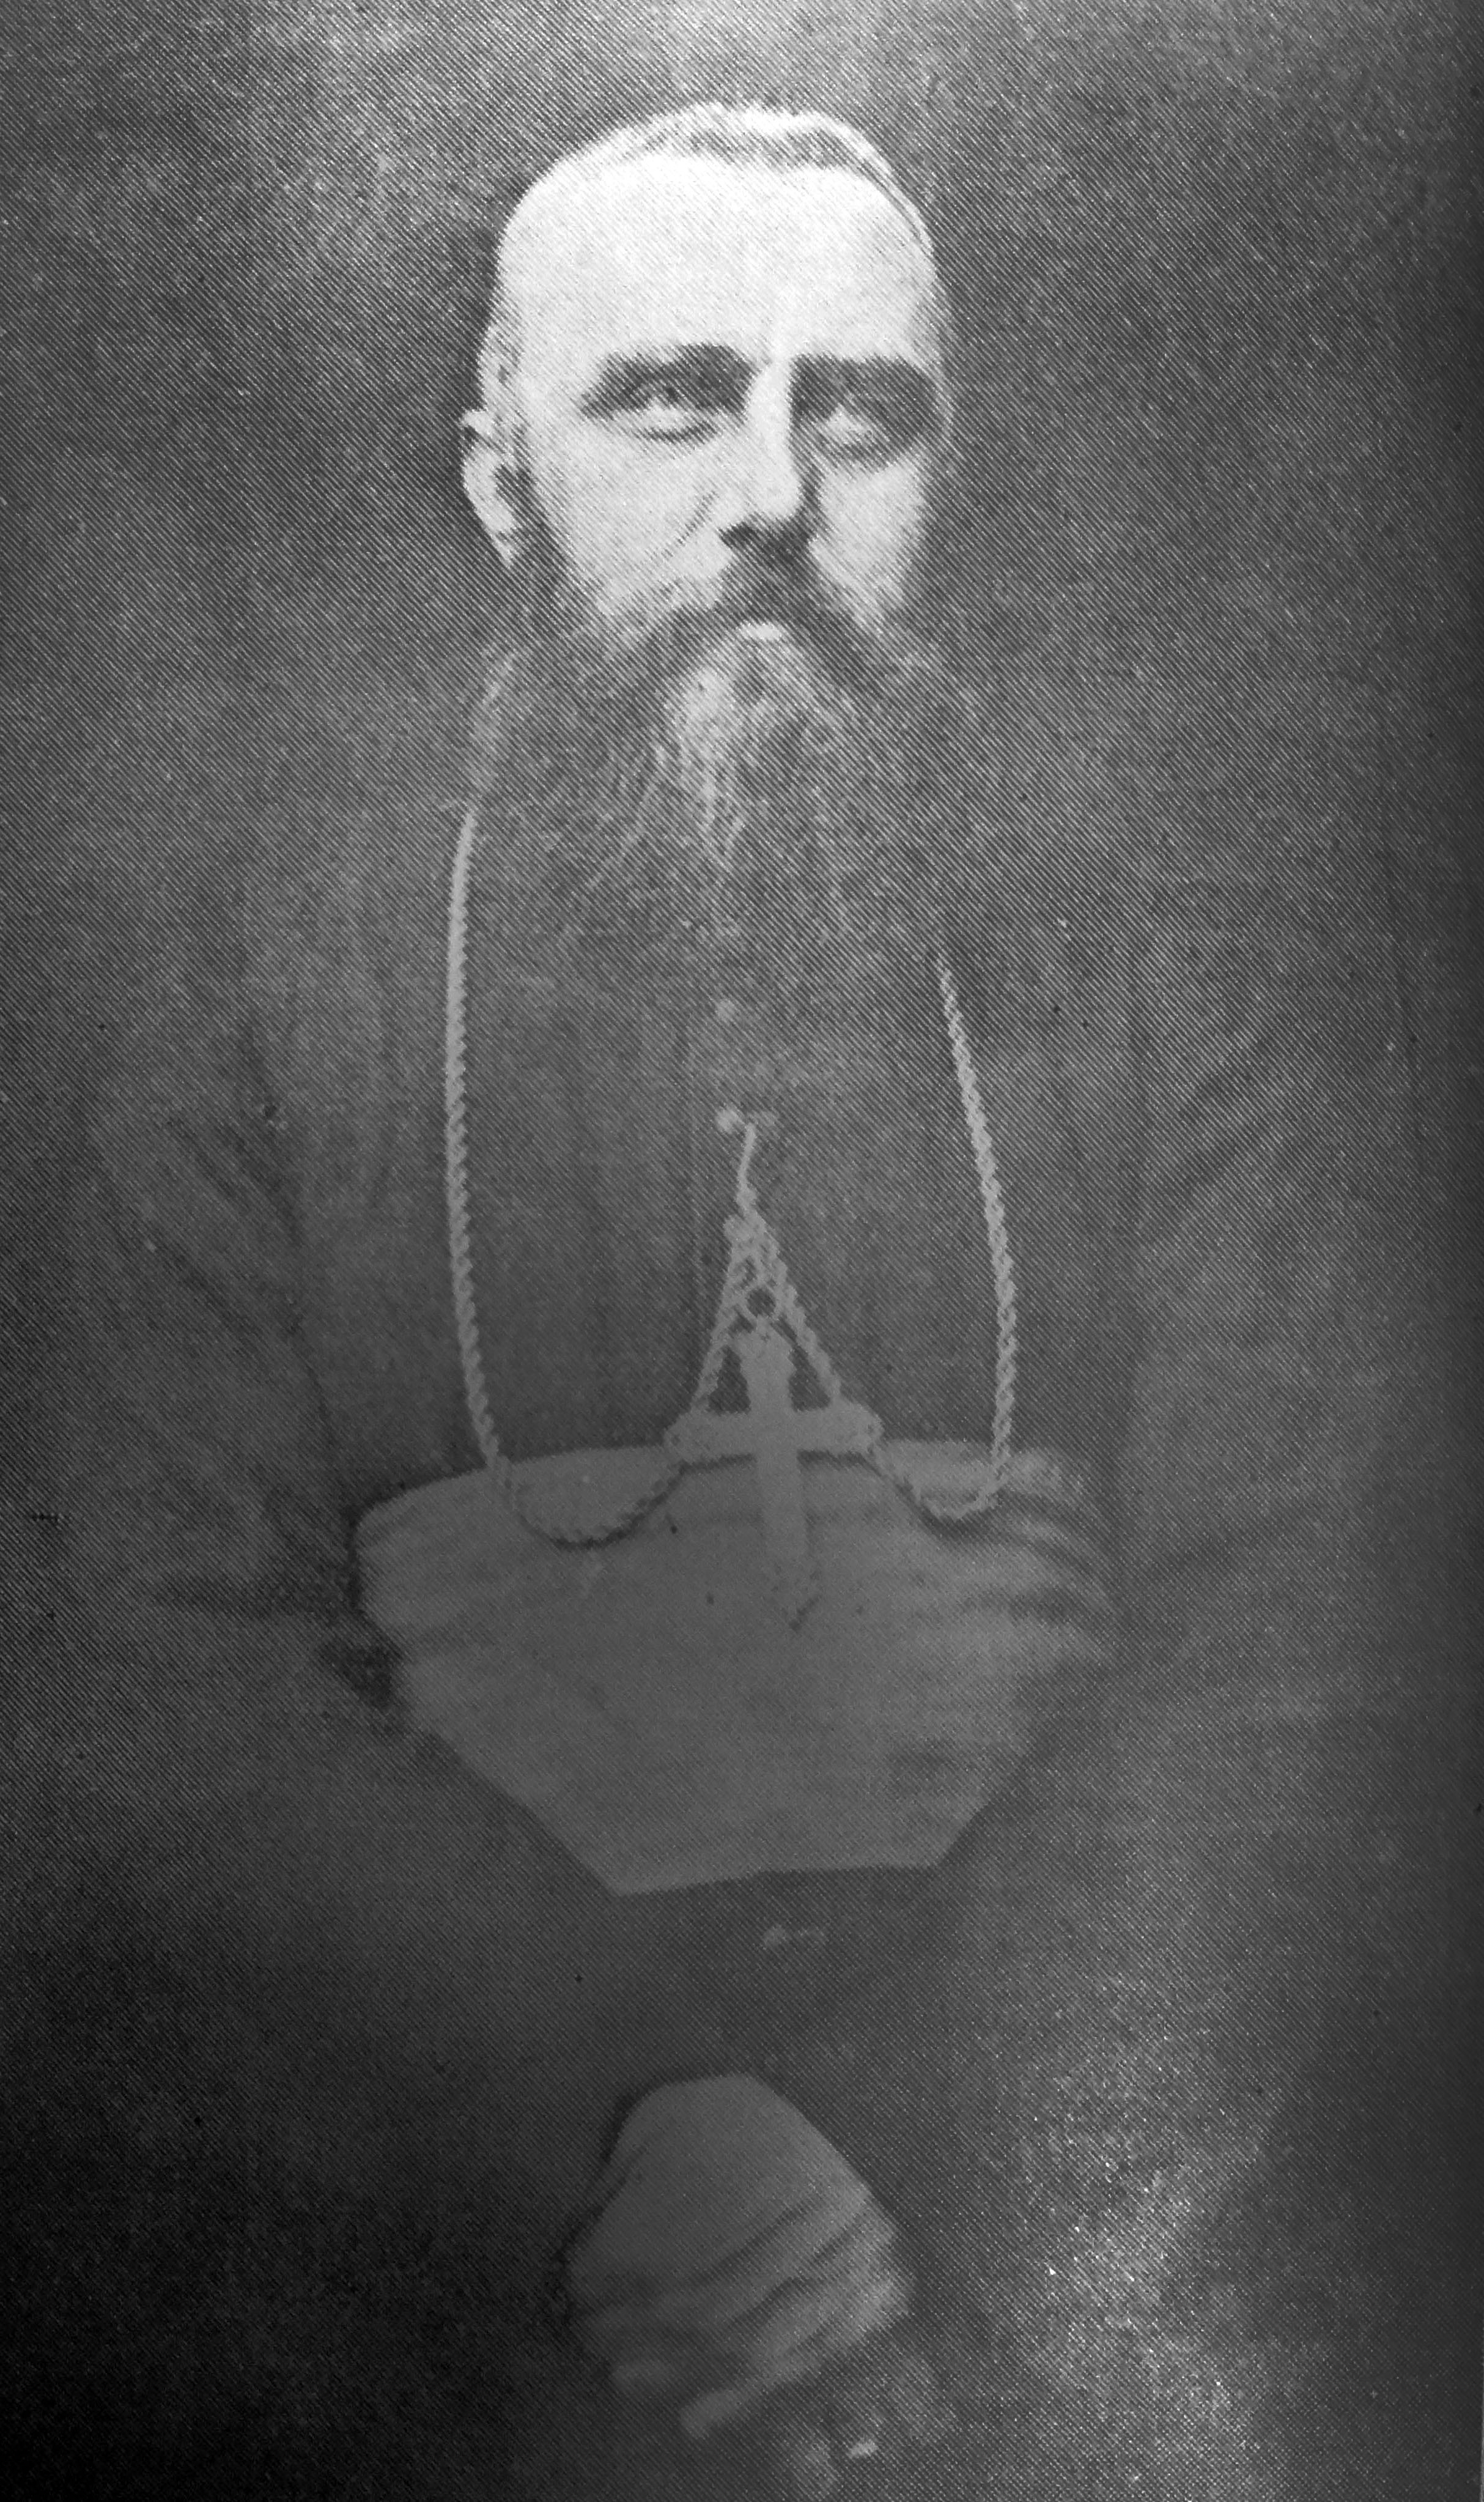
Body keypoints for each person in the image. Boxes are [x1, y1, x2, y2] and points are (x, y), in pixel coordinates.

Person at [24, 101, 1472, 2502]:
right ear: (503, 479)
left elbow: (1304, 1651)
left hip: (1063, 2205)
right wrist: (617, 2119)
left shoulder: (1170, 991)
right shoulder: (268, 1001)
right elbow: (158, 1674)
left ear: (941, 474)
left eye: (859, 415)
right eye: (674, 400)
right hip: (462, 2211)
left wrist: (904, 2141)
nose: (773, 496)